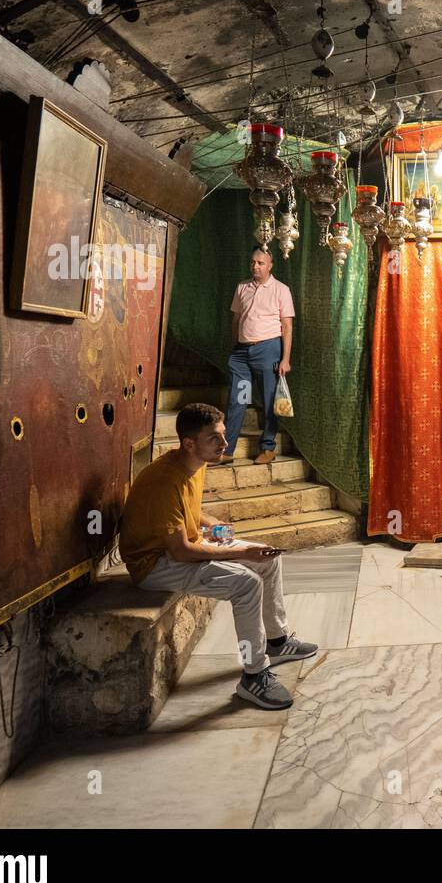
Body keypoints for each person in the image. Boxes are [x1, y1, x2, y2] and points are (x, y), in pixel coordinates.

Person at [120, 403, 318, 709]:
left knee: (268, 559)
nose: (225, 444)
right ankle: (254, 677)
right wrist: (242, 550)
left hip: (180, 546)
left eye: (223, 435)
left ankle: (277, 642)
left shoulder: (194, 463)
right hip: (154, 564)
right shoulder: (163, 479)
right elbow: (182, 551)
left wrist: (211, 523)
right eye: (215, 438)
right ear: (189, 443)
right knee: (246, 583)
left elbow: (186, 509)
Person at [221, 246, 295, 466]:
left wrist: (285, 359)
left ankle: (268, 448)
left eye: (260, 263)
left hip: (268, 350)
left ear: (270, 266)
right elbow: (236, 321)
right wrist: (237, 346)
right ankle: (227, 449)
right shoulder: (242, 287)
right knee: (238, 400)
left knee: (269, 400)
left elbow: (287, 327)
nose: (255, 266)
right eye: (253, 262)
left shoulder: (281, 290)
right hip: (242, 354)